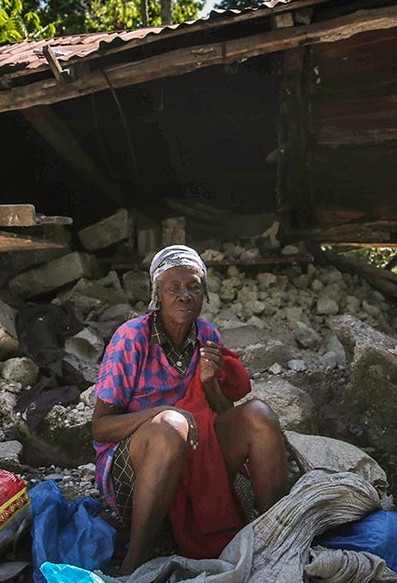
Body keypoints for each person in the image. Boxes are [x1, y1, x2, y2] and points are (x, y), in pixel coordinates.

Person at [91, 245, 290, 573]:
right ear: (157, 295)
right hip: (135, 468)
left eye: (193, 287)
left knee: (259, 415)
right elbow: (100, 427)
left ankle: (279, 535)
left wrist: (211, 383)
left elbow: (221, 414)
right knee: (170, 426)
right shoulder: (132, 338)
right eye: (174, 288)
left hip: (197, 456)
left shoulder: (207, 334)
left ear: (204, 293)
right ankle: (136, 561)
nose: (184, 295)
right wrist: (164, 413)